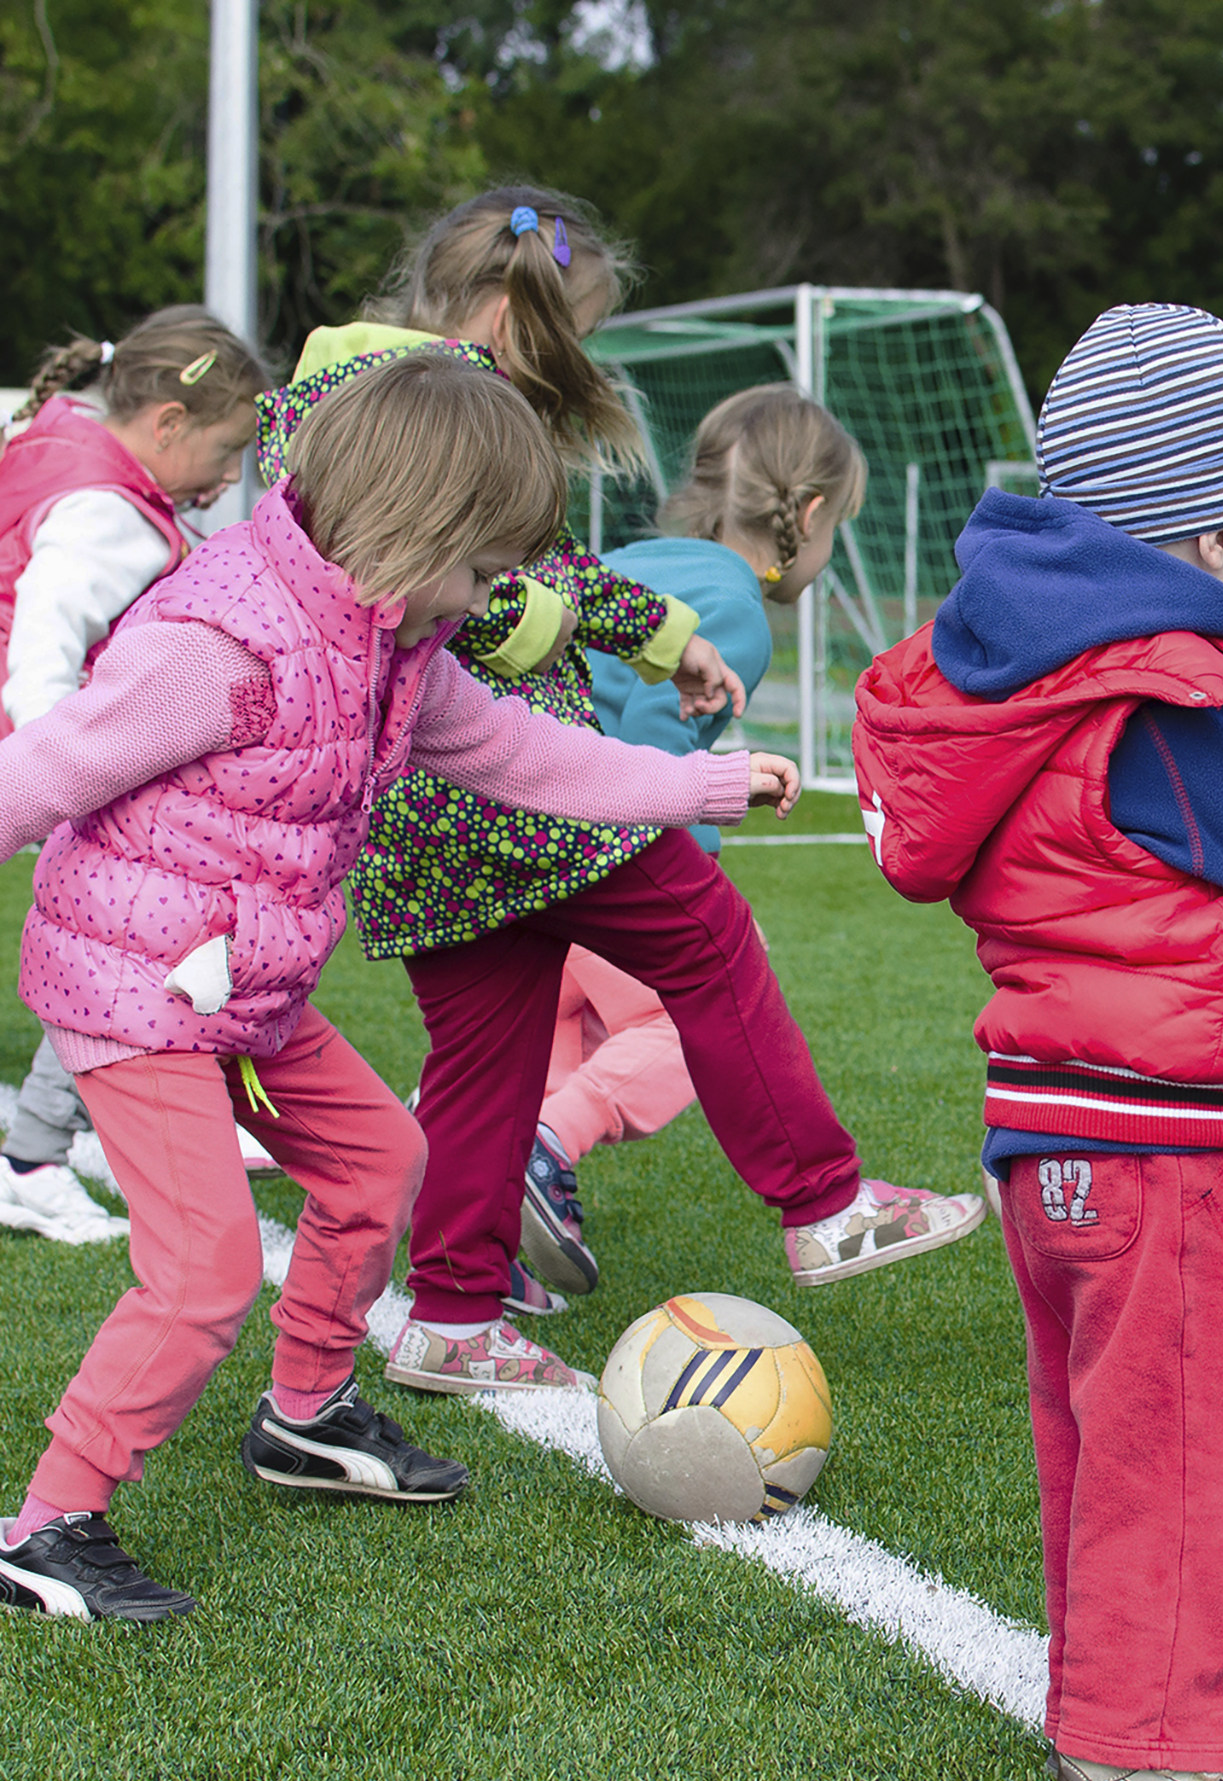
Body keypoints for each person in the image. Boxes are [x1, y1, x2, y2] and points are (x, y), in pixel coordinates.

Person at [0, 351, 803, 1624]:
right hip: (134, 989)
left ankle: (306, 1415)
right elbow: (40, 774)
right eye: (486, 570)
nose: (494, 599)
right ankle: (48, 1523)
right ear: (417, 530)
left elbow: (526, 757)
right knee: (204, 1270)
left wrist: (702, 784)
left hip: (243, 990)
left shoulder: (393, 647)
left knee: (383, 1161)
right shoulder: (217, 646)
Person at [258, 189, 983, 1382]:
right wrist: (562, 632)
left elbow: (541, 565)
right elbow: (459, 588)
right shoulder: (427, 404)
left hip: (415, 818)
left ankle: (449, 1317)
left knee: (485, 1059)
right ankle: (823, 1200)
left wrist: (664, 637)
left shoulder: (345, 389)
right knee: (707, 941)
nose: (574, 364)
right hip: (509, 790)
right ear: (504, 312)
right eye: (570, 334)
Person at [853, 304, 1223, 1781]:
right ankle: (1146, 1748)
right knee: (1188, 1445)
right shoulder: (1164, 693)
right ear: (1215, 533)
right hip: (1155, 1150)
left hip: (1063, 1131)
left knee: (1107, 1440)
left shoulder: (1048, 674)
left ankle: (1127, 1695)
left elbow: (1130, 891)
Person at [521, 384, 867, 1298]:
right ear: (810, 513)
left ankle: (467, 1179)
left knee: (538, 1038)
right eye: (839, 530)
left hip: (506, 846)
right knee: (686, 1012)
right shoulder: (736, 612)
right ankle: (548, 1145)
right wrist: (691, 877)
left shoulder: (640, 559)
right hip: (579, 848)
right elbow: (647, 753)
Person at [0, 308, 269, 1245]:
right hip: (50, 769)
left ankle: (52, 1146)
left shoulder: (65, 440)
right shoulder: (110, 512)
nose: (232, 476)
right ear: (166, 424)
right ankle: (33, 1158)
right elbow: (43, 633)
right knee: (128, 950)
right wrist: (56, 769)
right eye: (229, 449)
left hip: (49, 766)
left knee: (121, 949)